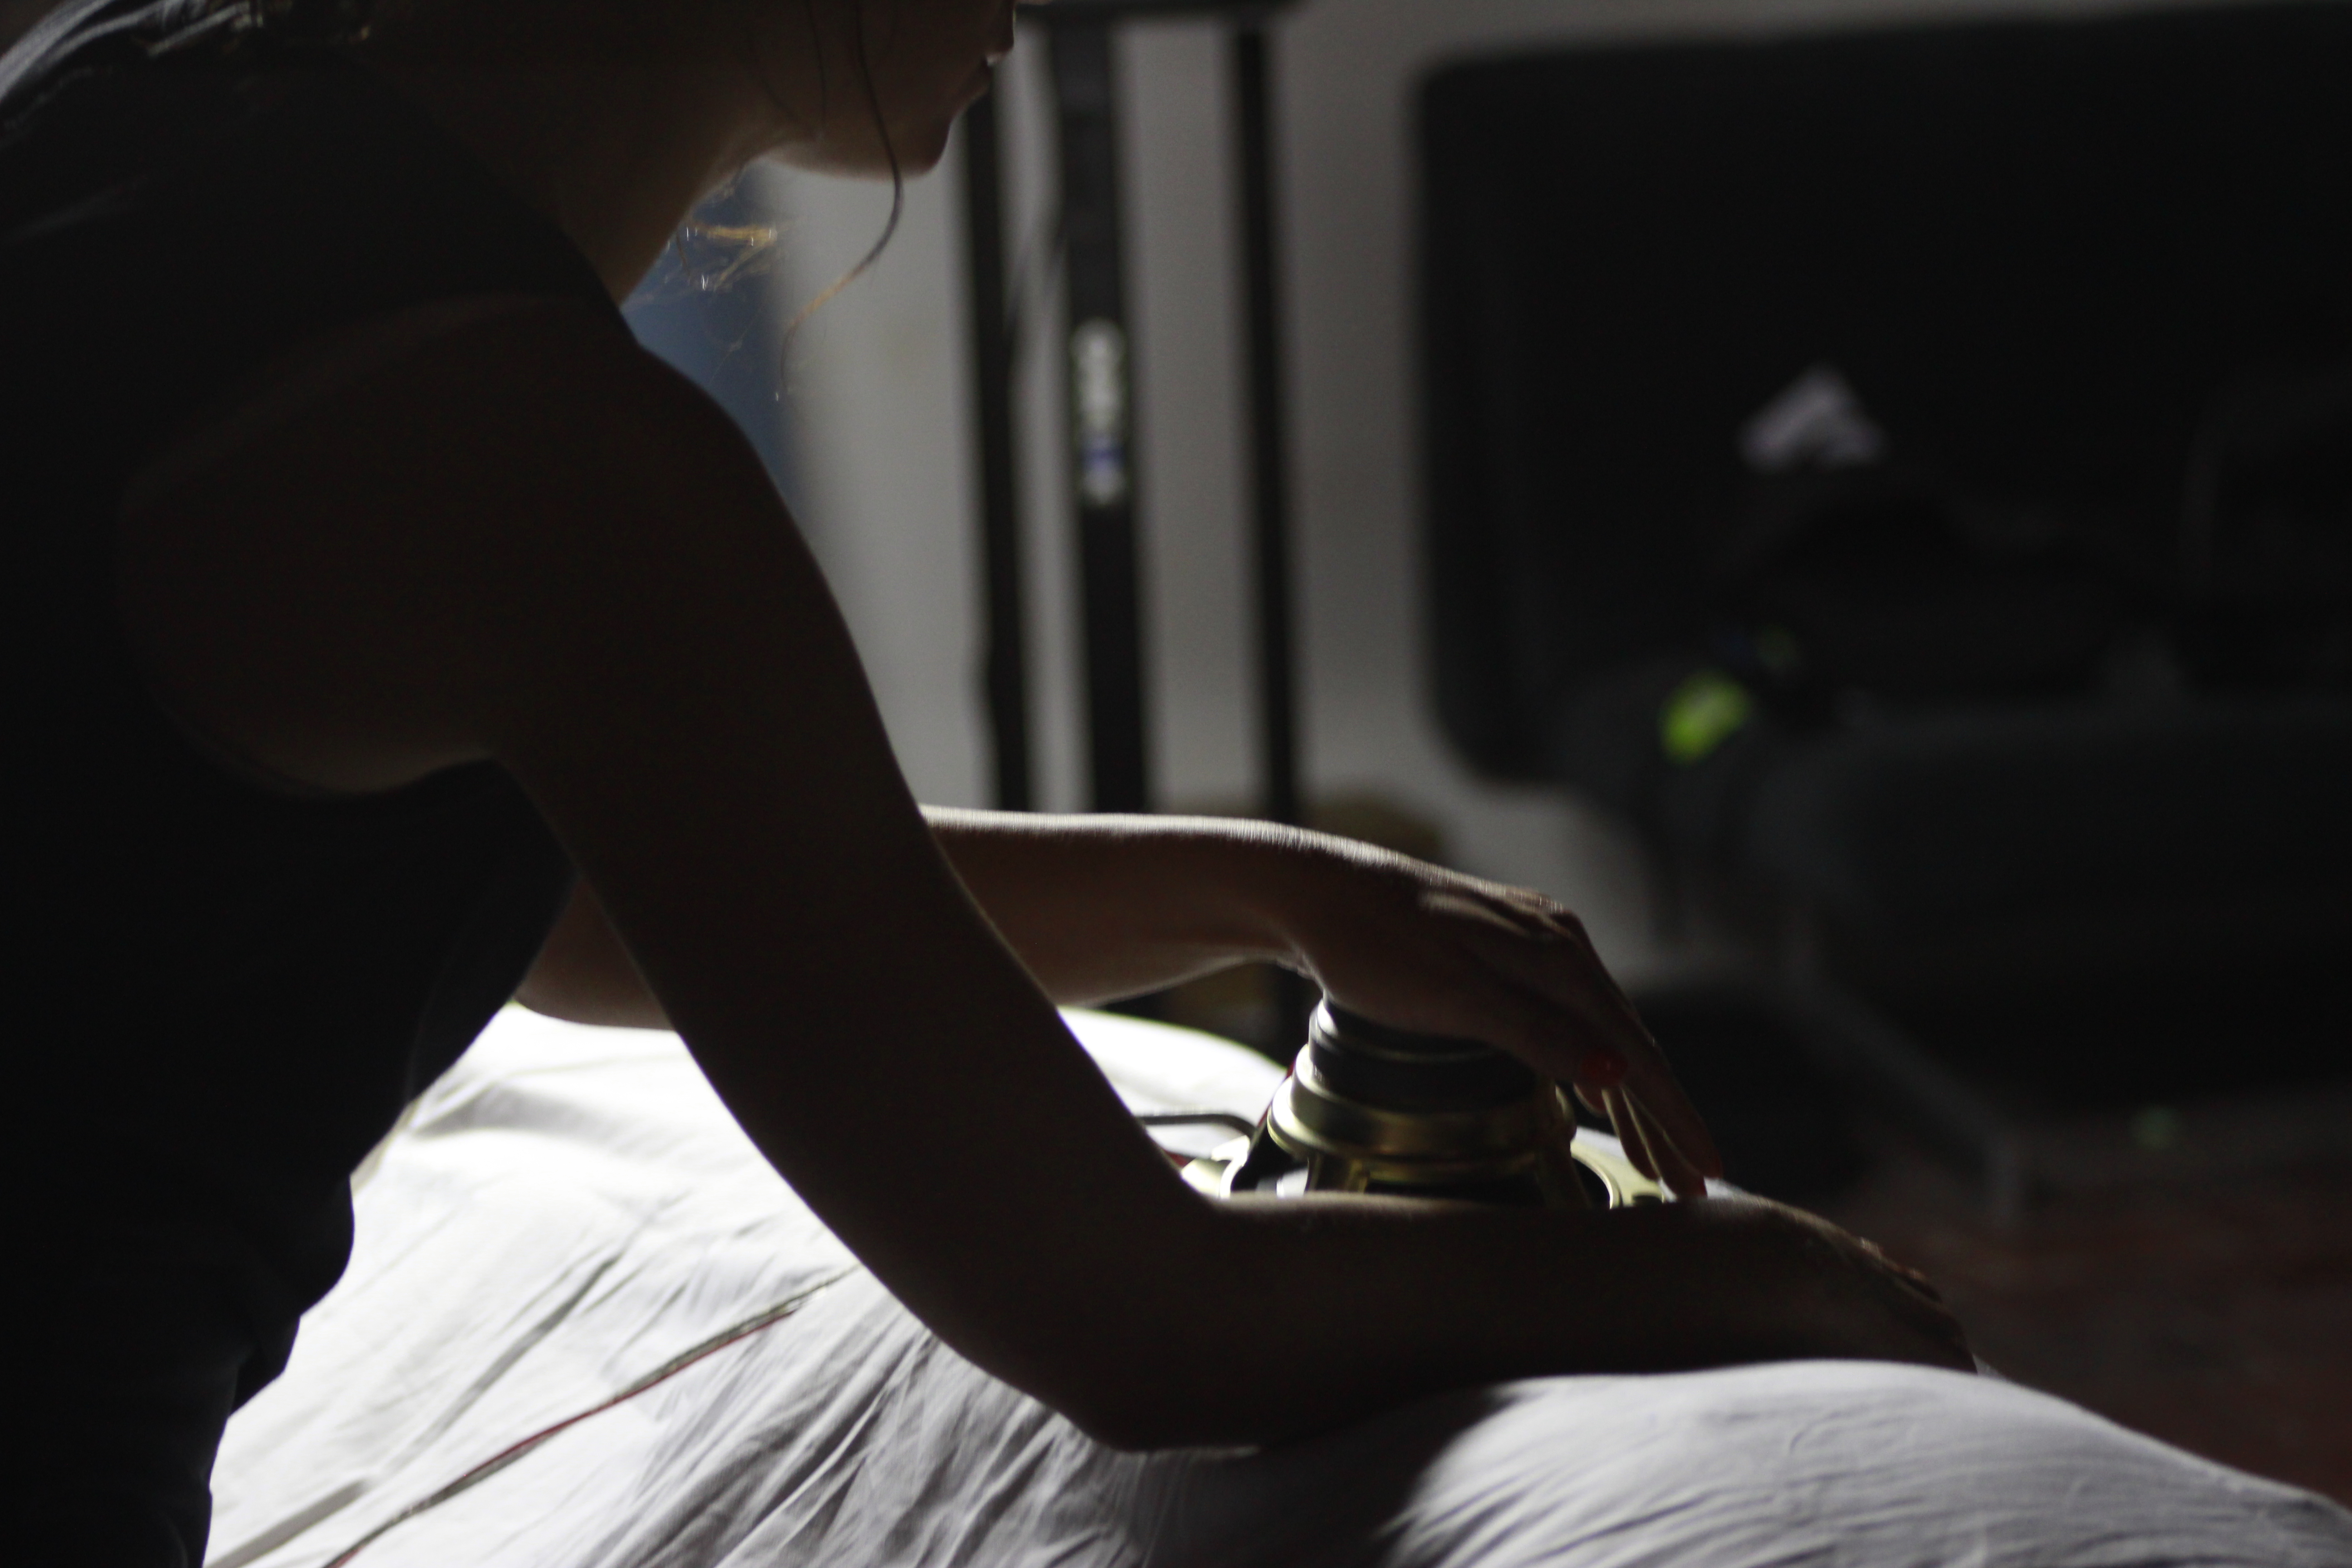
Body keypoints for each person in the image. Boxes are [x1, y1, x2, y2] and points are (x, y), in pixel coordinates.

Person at [0, 0, 1970, 1559]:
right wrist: (1756, 1269)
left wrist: (1282, 890)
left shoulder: (137, 94)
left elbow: (592, 892)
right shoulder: (547, 455)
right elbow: (1150, 1322)